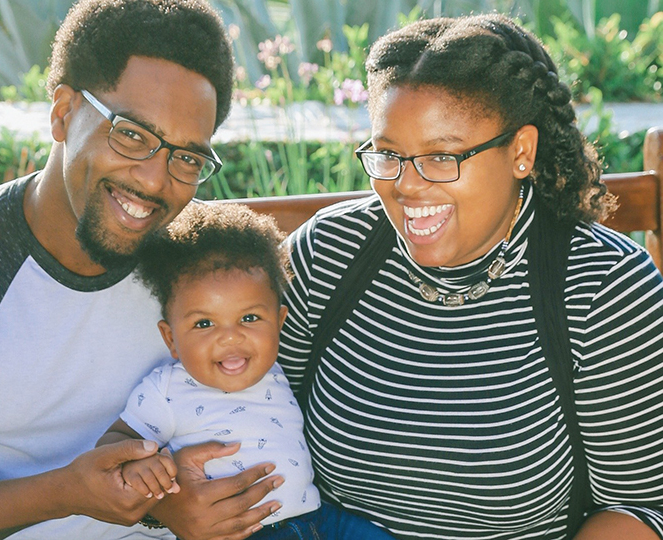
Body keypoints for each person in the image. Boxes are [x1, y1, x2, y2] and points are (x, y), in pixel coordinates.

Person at [270, 13, 663, 540]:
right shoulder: (331, 254)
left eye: (440, 156)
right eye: (389, 154)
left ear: (521, 152)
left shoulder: (604, 290)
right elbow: (243, 406)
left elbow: (638, 507)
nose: (406, 185)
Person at [0, 1, 282, 539]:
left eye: (187, 158)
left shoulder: (197, 267)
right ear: (62, 113)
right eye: (131, 134)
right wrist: (64, 492)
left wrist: (161, 504)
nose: (154, 180)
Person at [97, 202, 394, 539]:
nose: (230, 336)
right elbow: (115, 443)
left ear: (279, 323)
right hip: (243, 531)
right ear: (172, 339)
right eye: (204, 323)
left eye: (250, 318)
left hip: (320, 520)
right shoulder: (167, 389)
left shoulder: (275, 370)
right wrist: (142, 466)